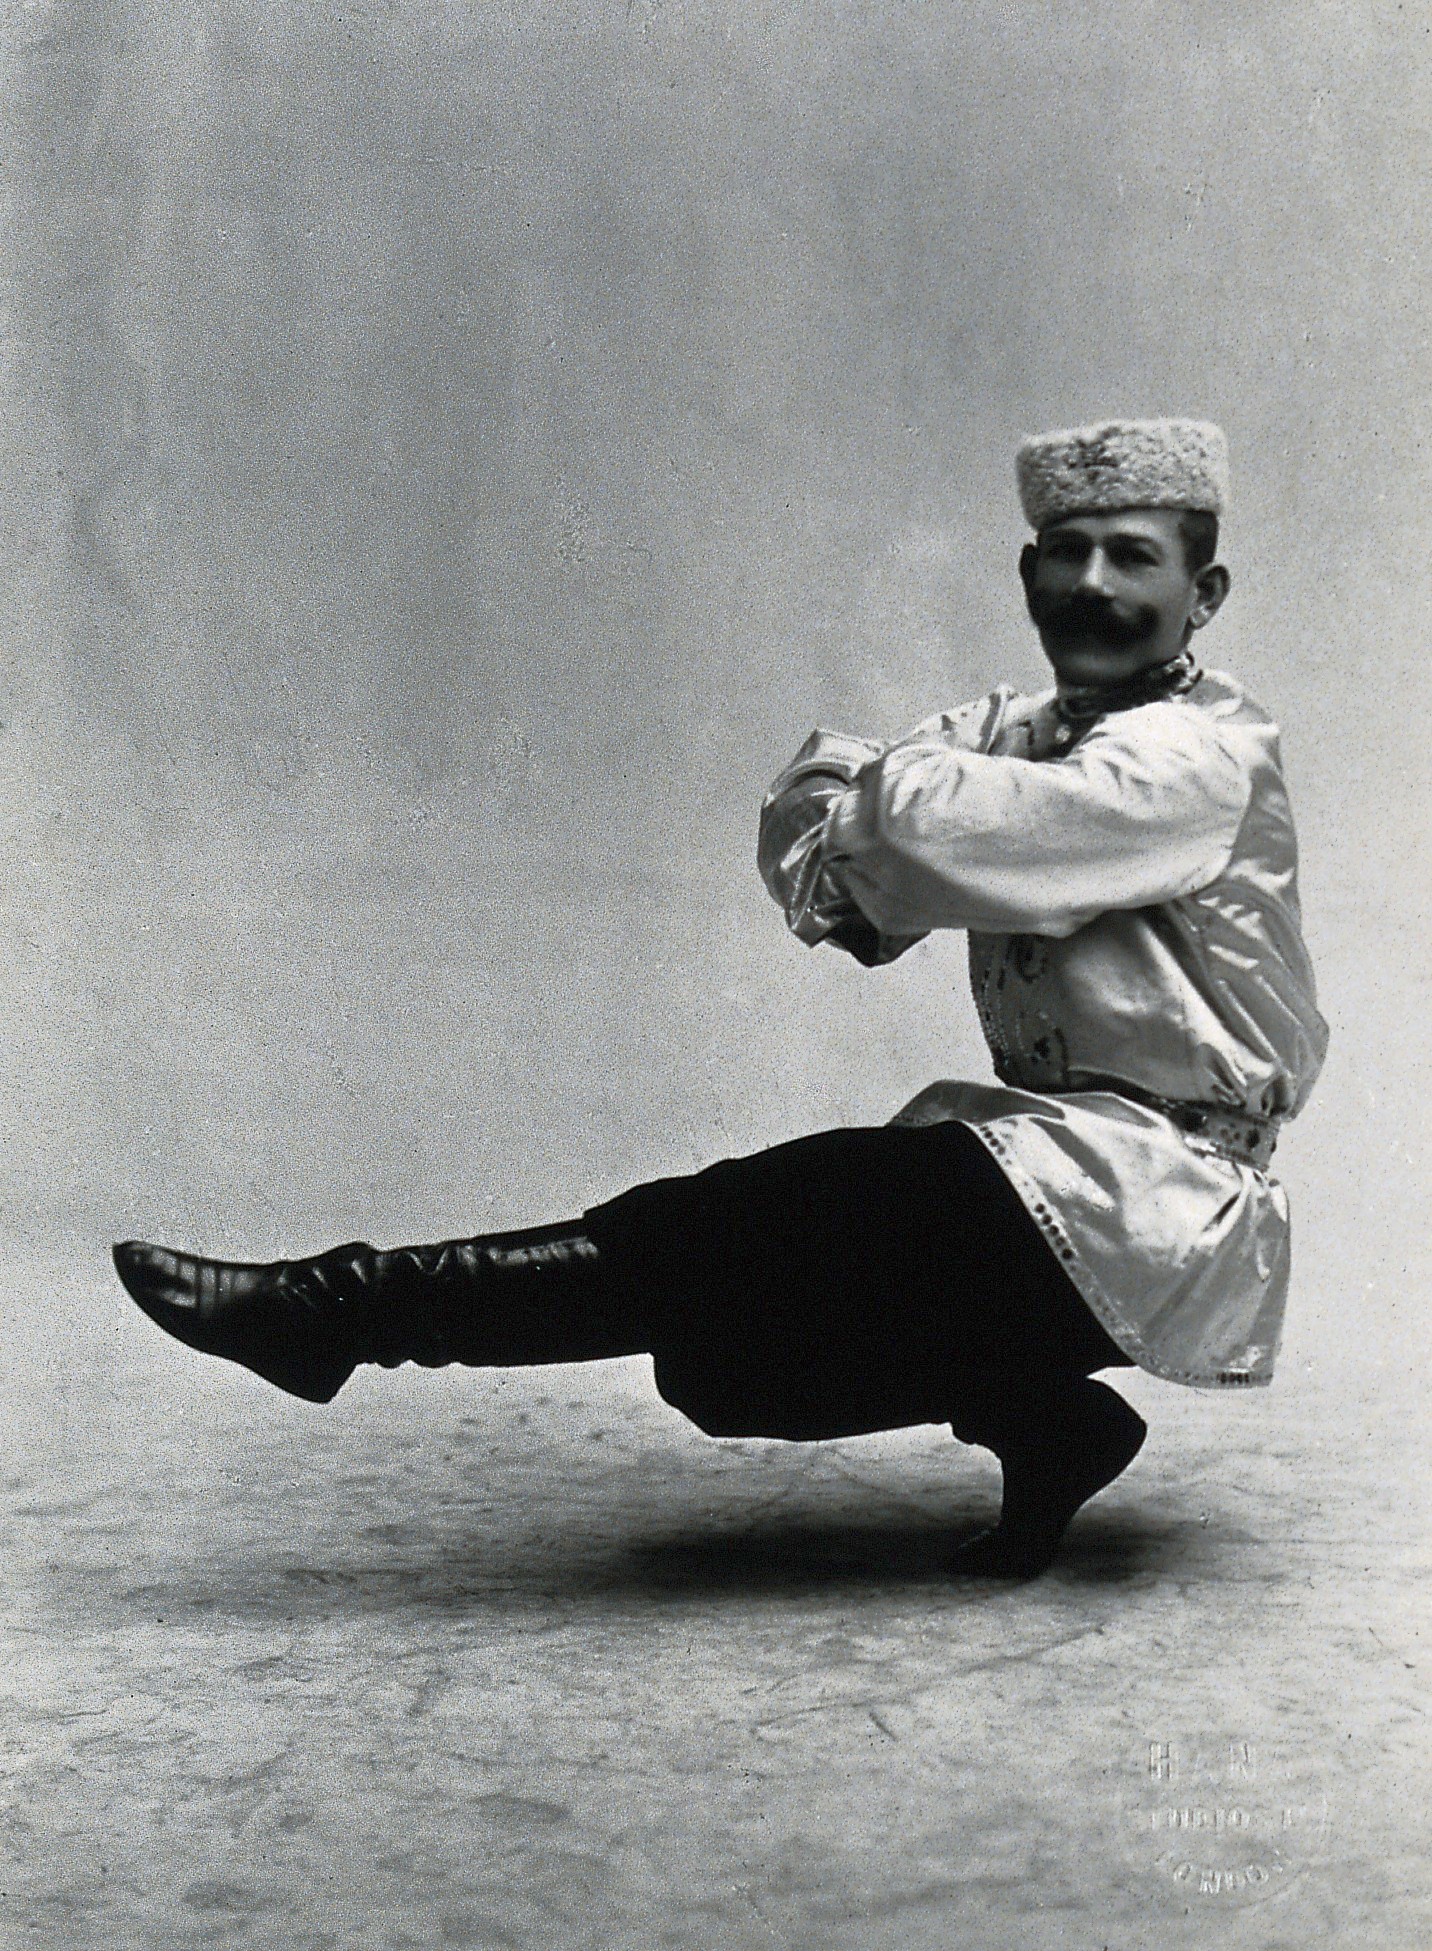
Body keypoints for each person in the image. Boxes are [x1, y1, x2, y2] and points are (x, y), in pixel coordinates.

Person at [113, 418, 1327, 1577]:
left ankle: (331, 1311)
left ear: (1201, 594)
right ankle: (1051, 1426)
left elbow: (925, 827)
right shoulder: (1019, 729)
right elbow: (810, 817)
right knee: (726, 1365)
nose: (1093, 583)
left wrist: (903, 812)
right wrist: (906, 825)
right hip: (1056, 1167)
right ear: (1027, 572)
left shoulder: (1197, 755)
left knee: (745, 1222)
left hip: (1166, 1197)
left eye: (1133, 557)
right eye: (1066, 552)